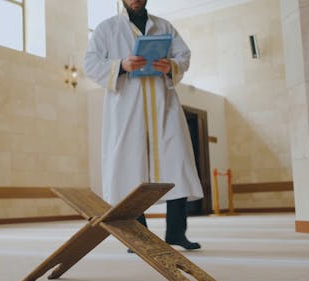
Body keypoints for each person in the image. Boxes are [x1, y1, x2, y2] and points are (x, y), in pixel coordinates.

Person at [84, 0, 203, 250]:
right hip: (127, 109)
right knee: (130, 168)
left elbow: (184, 55)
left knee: (177, 164)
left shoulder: (164, 26)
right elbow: (91, 64)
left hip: (164, 105)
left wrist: (171, 66)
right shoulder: (107, 29)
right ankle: (137, 235)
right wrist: (121, 66)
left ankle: (176, 233)